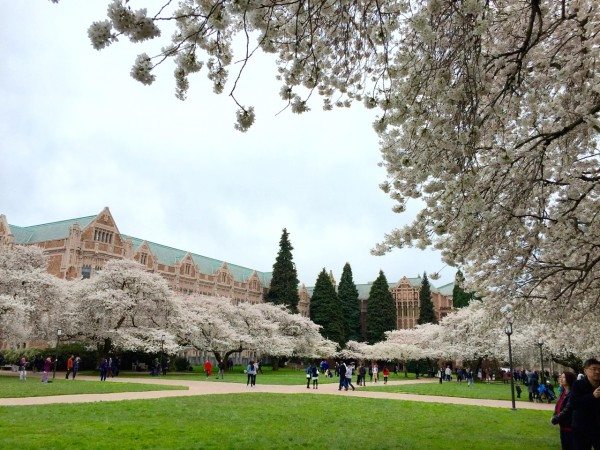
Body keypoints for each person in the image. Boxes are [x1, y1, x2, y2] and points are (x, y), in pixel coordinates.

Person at [568, 358, 600, 449]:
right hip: (581, 428)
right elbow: (573, 404)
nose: (597, 372)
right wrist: (592, 396)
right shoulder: (578, 385)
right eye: (594, 369)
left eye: (599, 369)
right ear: (585, 370)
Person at [552, 371, 576, 450]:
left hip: (571, 427)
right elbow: (558, 406)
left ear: (569, 379)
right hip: (563, 426)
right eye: (560, 377)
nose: (561, 379)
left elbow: (567, 409)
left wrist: (556, 418)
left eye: (563, 377)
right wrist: (555, 415)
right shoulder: (563, 392)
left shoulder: (573, 393)